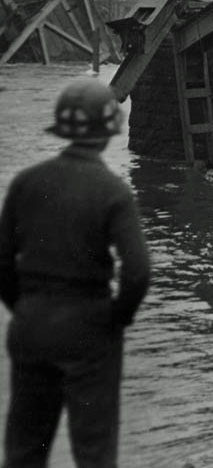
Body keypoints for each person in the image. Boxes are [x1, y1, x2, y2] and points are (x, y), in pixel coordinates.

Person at [0, 78, 151, 467]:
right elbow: (137, 272)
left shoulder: (26, 182)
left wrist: (26, 306)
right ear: (108, 132)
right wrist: (115, 319)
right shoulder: (113, 191)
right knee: (94, 450)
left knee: (24, 448)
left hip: (31, 323)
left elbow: (2, 263)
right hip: (89, 326)